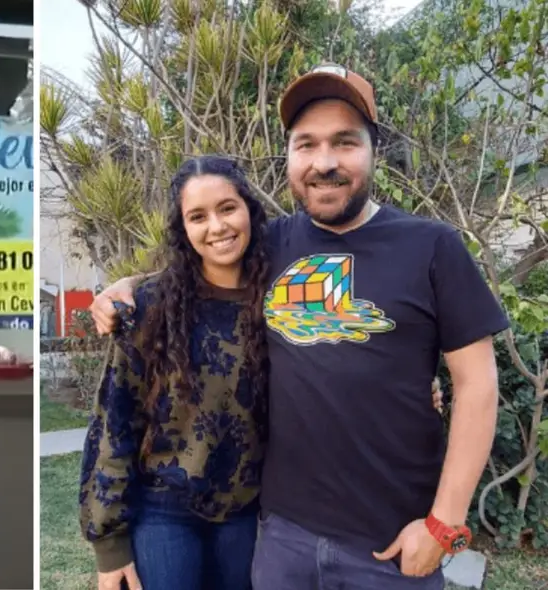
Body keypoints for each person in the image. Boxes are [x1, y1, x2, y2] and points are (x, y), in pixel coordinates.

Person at [89, 64, 505, 588]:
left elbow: (477, 386)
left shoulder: (433, 248)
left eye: (345, 142)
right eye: (306, 144)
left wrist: (445, 524)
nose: (324, 162)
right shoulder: (272, 245)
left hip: (392, 545)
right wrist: (122, 286)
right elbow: (198, 262)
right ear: (288, 155)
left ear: (375, 149)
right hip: (282, 539)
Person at [81, 156, 270, 590]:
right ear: (183, 229)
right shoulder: (148, 307)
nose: (217, 226)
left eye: (227, 208)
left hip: (245, 514)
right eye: (197, 216)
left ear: (249, 210)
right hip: (164, 513)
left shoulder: (279, 301)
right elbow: (114, 424)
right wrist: (110, 548)